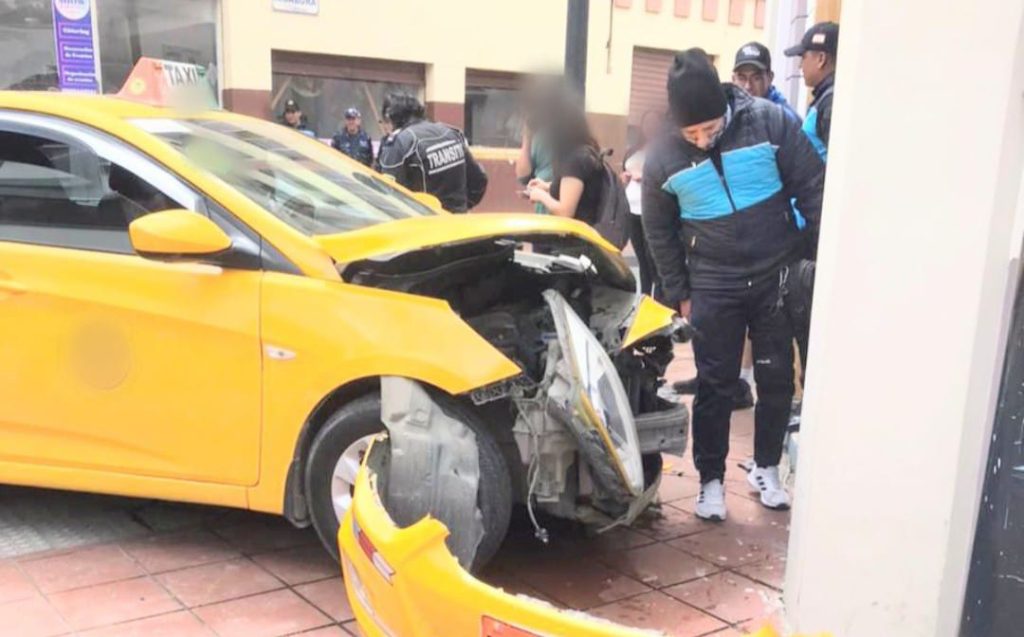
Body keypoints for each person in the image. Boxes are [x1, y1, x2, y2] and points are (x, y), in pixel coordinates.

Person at [642, 49, 824, 520]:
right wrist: (680, 291)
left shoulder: (769, 123)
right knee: (716, 385)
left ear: (725, 109)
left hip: (775, 274)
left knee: (777, 376)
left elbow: (813, 186)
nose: (703, 141)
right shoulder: (662, 157)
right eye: (692, 133)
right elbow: (659, 231)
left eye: (711, 129)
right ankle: (711, 480)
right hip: (713, 282)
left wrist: (811, 255)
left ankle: (766, 467)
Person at [377, 93, 488, 212]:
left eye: (383, 121)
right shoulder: (450, 132)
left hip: (424, 224)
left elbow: (389, 195)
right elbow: (479, 180)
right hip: (458, 222)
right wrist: (462, 207)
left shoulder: (400, 142)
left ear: (389, 118)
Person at [524, 85, 604, 221]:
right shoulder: (583, 153)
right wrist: (547, 186)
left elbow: (565, 211)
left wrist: (540, 196)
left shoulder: (575, 160)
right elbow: (577, 189)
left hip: (576, 238)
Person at [622, 110, 663, 296]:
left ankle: (656, 298)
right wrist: (624, 178)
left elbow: (666, 177)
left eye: (654, 123)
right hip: (631, 209)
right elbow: (625, 170)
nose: (649, 127)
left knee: (652, 257)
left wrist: (645, 177)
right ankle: (644, 297)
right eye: (646, 123)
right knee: (641, 259)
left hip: (651, 210)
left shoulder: (663, 150)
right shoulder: (634, 149)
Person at [786, 21, 839, 161]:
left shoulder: (831, 102)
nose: (800, 65)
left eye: (803, 57)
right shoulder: (826, 98)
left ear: (821, 59)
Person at [732, 41, 800, 123]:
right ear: (733, 79)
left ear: (770, 78)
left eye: (756, 78)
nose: (748, 86)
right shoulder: (725, 114)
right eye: (742, 78)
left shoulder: (785, 120)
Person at [516, 79, 555, 214]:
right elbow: (523, 176)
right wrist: (527, 137)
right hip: (541, 210)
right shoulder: (538, 136)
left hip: (559, 210)